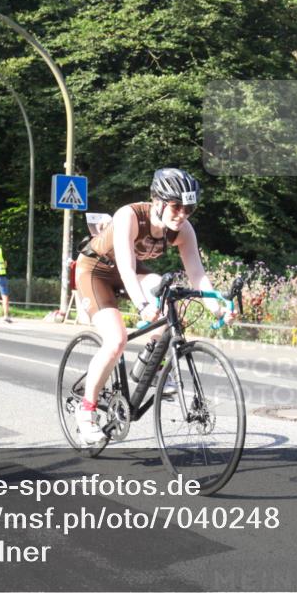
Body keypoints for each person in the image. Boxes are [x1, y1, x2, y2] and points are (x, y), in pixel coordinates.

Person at [73, 168, 236, 444]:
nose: (183, 213)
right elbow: (125, 267)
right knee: (116, 340)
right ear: (157, 200)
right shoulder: (130, 216)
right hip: (96, 271)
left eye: (190, 208)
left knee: (167, 295)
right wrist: (142, 305)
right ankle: (86, 411)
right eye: (176, 206)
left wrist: (219, 308)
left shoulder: (183, 230)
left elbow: (197, 275)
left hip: (130, 272)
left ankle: (153, 366)